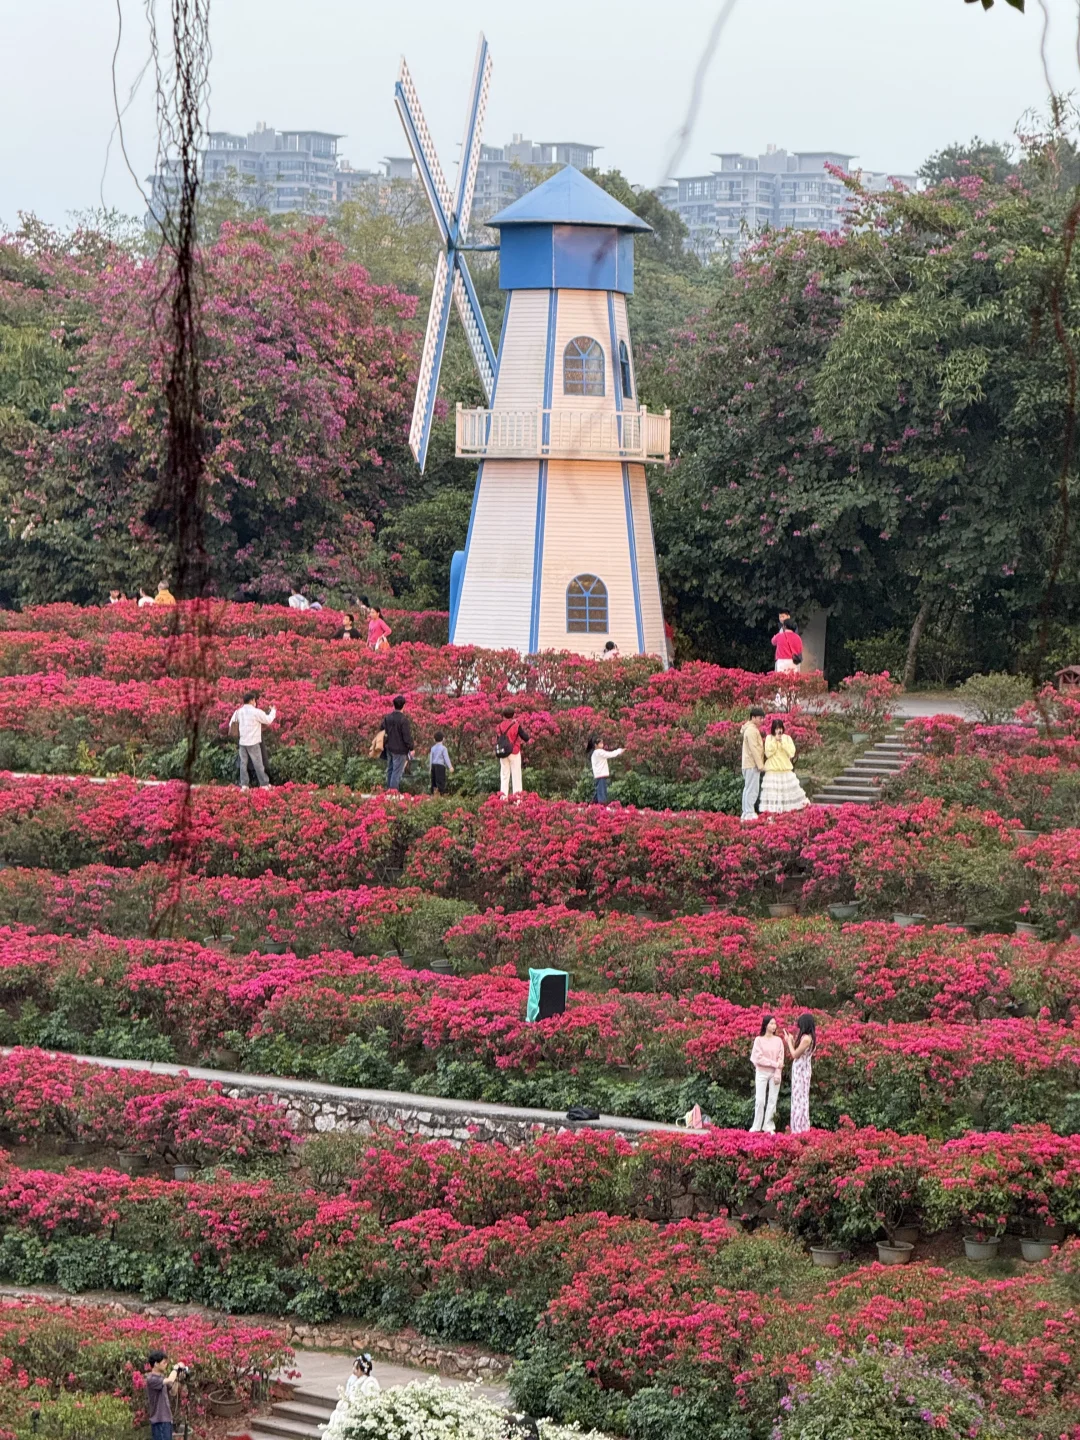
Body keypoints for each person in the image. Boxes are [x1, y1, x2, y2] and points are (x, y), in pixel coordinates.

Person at [759, 719, 810, 815]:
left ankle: (788, 815)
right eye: (776, 729)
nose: (779, 731)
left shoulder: (787, 738)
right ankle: (772, 816)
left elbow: (791, 753)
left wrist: (782, 742)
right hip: (772, 771)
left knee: (788, 794)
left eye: (780, 728)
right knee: (773, 795)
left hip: (785, 770)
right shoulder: (769, 738)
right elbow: (768, 753)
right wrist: (775, 741)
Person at [229, 690, 277, 791]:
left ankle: (244, 785)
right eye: (254, 700)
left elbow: (231, 724)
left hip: (242, 742)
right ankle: (264, 784)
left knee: (243, 764)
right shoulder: (256, 712)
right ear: (251, 700)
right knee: (258, 763)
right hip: (253, 742)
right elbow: (268, 720)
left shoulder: (238, 712)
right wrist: (273, 711)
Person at [749, 1015, 785, 1133]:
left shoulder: (778, 1040)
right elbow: (758, 1058)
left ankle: (768, 1126)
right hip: (762, 1072)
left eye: (775, 1023)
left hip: (775, 1073)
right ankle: (756, 1126)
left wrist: (778, 1071)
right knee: (760, 1100)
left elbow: (781, 1058)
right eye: (771, 1023)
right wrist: (775, 1064)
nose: (774, 1026)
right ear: (765, 1025)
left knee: (772, 1100)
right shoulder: (759, 1040)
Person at [785, 1013, 816, 1133]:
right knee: (800, 1098)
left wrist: (788, 1042)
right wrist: (792, 1041)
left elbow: (794, 1054)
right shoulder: (809, 1038)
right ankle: (800, 1127)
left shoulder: (807, 1039)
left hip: (801, 1070)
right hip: (802, 1069)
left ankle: (799, 1128)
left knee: (799, 1099)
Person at [144, 1350, 182, 1440]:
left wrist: (178, 1377)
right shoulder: (151, 1379)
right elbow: (170, 1380)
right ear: (156, 1364)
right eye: (164, 1362)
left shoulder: (162, 1377)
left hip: (166, 1420)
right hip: (159, 1420)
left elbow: (173, 1392)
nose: (166, 1364)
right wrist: (175, 1368)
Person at [740, 706, 766, 823]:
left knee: (748, 788)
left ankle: (746, 812)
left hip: (749, 764)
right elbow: (754, 749)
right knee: (752, 789)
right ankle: (749, 812)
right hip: (751, 764)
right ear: (753, 717)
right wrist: (760, 765)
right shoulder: (751, 731)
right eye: (760, 718)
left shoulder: (750, 729)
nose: (762, 720)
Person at [383, 694, 413, 792]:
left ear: (394, 705)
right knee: (397, 771)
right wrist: (411, 747)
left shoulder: (388, 718)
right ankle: (393, 792)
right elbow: (406, 736)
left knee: (390, 769)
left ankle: (388, 790)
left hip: (389, 748)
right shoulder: (403, 720)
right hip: (400, 750)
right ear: (404, 705)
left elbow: (382, 730)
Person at [495, 707, 528, 799]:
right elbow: (526, 737)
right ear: (513, 715)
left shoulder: (499, 726)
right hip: (514, 752)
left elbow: (498, 739)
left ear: (503, 715)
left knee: (504, 776)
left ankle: (503, 799)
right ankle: (517, 800)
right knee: (516, 776)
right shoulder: (516, 725)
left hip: (503, 753)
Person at [586, 735, 624, 805]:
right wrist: (619, 751)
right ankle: (602, 806)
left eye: (602, 742)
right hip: (601, 775)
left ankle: (593, 805)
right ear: (595, 745)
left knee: (599, 791)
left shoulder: (595, 753)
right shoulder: (599, 752)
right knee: (602, 792)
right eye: (600, 743)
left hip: (598, 775)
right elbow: (610, 754)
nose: (602, 744)